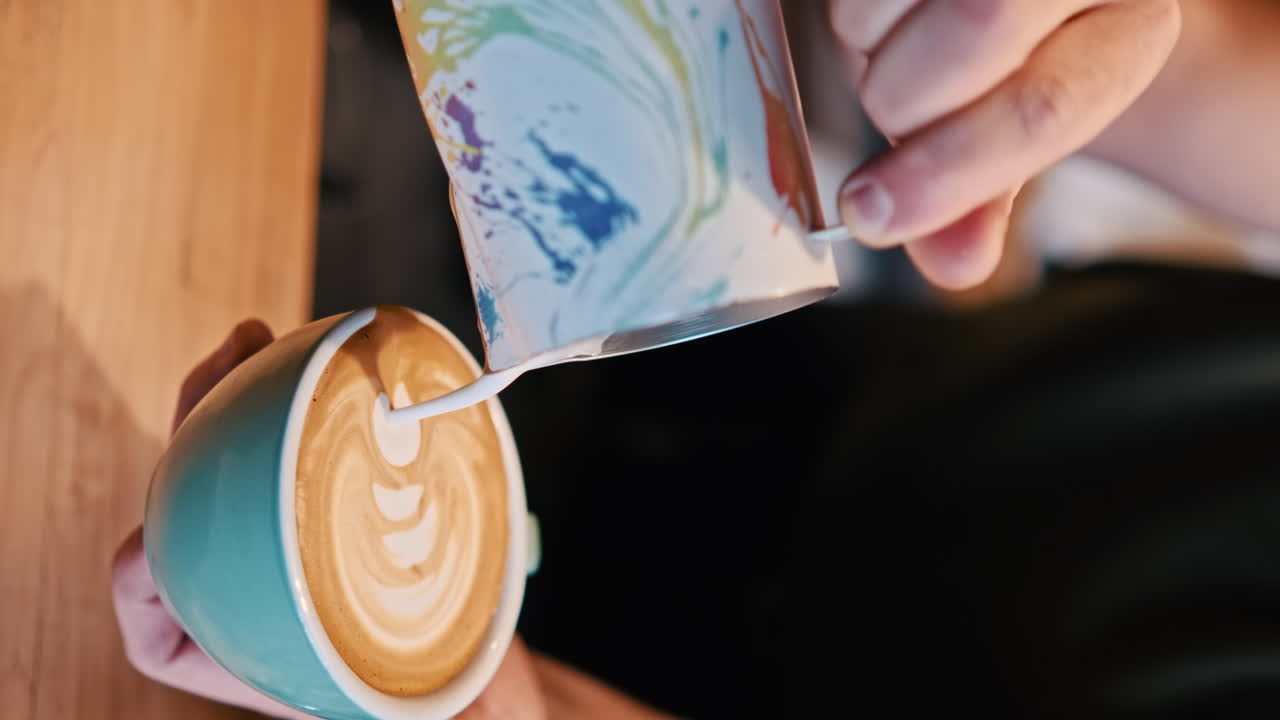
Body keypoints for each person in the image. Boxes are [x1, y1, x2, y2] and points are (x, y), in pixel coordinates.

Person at [113, 1, 1280, 717]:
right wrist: (1024, 50)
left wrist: (485, 698)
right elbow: (1196, 70)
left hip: (552, 660)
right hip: (671, 298)